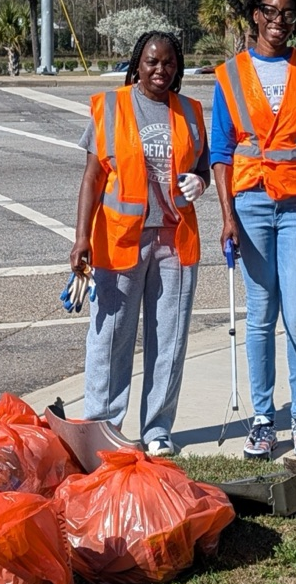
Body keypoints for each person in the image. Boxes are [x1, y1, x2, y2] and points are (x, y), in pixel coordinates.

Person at [211, 0, 296, 461]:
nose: (277, 21)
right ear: (254, 15)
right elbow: (222, 151)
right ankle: (264, 419)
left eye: (287, 13)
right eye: (268, 11)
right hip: (251, 204)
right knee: (261, 315)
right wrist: (227, 217)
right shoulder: (230, 74)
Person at [69, 30, 210, 457]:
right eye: (151, 61)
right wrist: (80, 238)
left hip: (174, 241)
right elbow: (93, 177)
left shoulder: (189, 111)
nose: (160, 70)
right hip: (118, 241)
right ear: (136, 63)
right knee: (110, 338)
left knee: (168, 339)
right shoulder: (111, 106)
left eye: (168, 63)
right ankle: (103, 424)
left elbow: (202, 164)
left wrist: (200, 181)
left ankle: (158, 430)